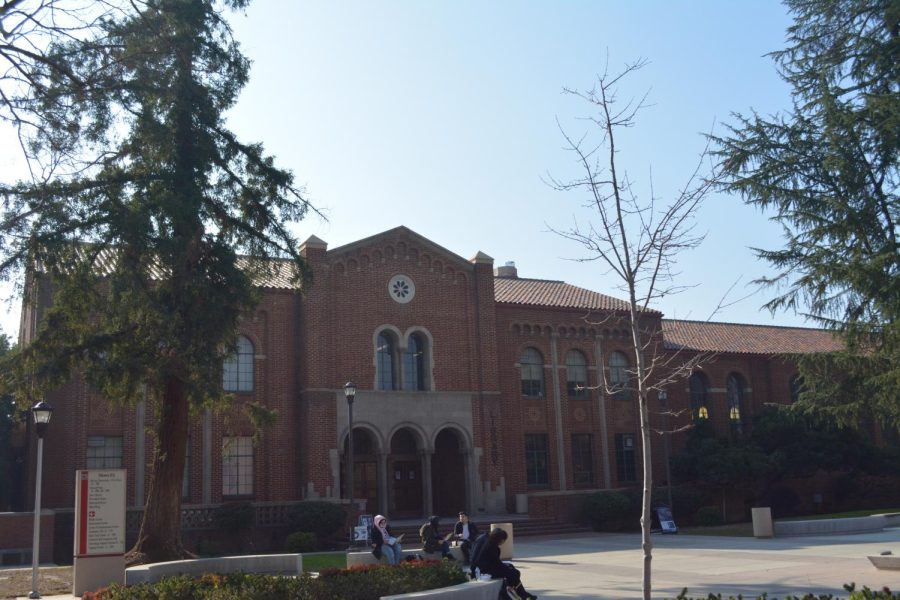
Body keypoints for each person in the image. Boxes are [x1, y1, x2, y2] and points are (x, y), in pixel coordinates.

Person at [473, 528, 536, 600]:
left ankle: (518, 592)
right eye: (503, 540)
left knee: (512, 570)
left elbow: (495, 562)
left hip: (486, 567)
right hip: (486, 572)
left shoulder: (487, 541)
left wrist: (508, 567)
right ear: (500, 539)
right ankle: (520, 593)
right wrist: (508, 569)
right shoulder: (492, 547)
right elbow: (497, 564)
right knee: (514, 573)